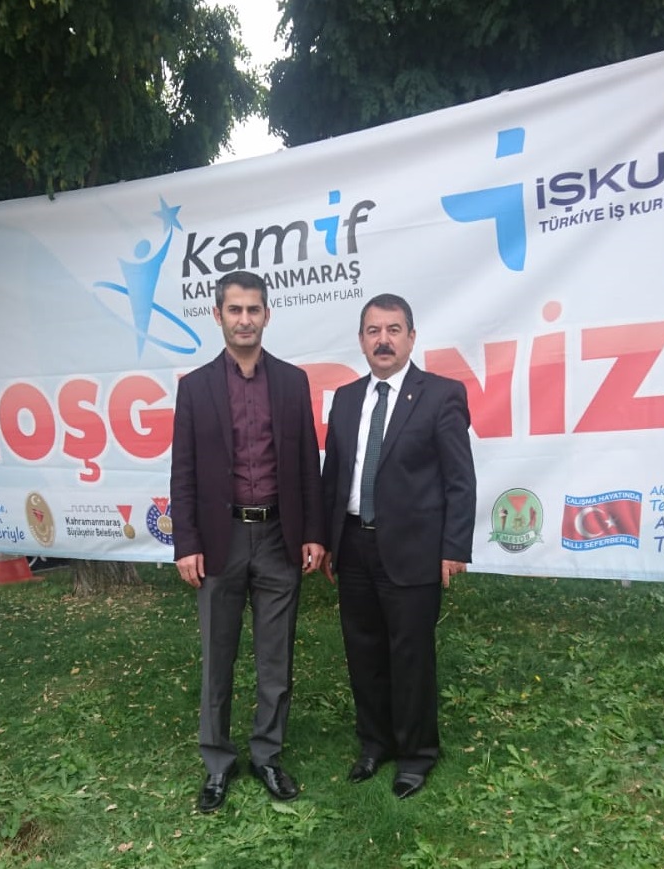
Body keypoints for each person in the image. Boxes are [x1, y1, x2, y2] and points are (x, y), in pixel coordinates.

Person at [169, 270, 326, 813]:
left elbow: (307, 462)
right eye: (234, 310)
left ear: (267, 315)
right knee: (218, 658)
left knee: (275, 659)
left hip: (280, 537)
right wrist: (186, 543)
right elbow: (183, 473)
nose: (244, 320)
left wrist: (312, 532)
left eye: (253, 310)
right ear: (217, 315)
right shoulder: (195, 388)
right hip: (221, 540)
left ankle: (267, 754)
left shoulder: (292, 382)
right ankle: (217, 762)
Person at [321, 293, 476, 799]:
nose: (383, 340)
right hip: (353, 546)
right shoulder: (346, 399)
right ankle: (375, 742)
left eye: (393, 330)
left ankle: (416, 754)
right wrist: (326, 540)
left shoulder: (441, 395)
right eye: (373, 331)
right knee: (362, 650)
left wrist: (454, 547)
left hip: (413, 549)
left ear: (411, 337)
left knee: (410, 655)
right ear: (361, 340)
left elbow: (460, 479)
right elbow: (333, 476)